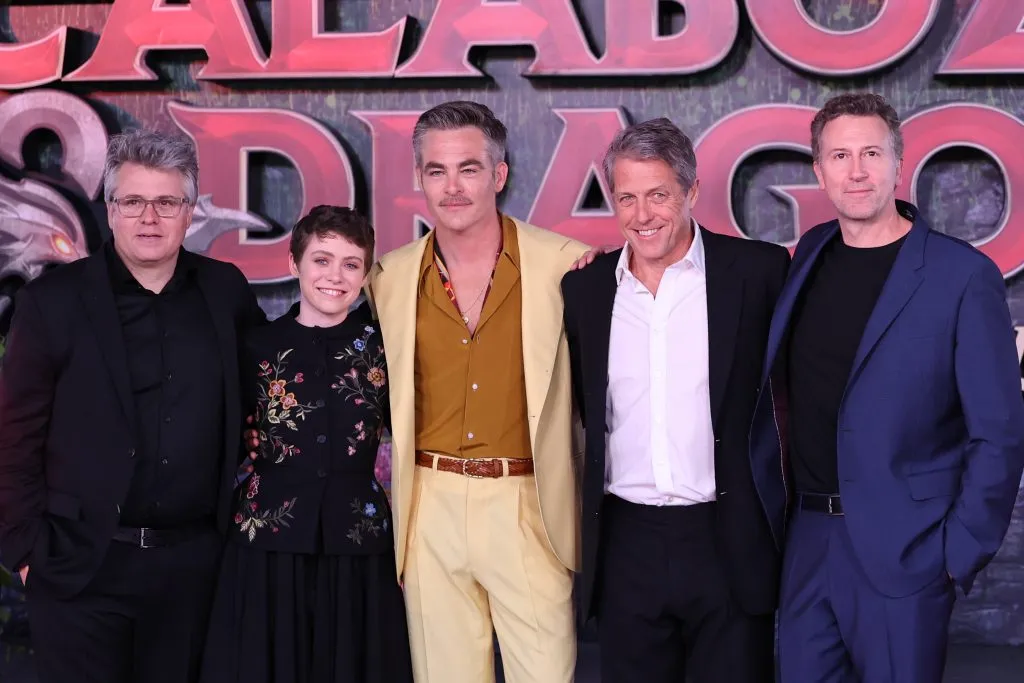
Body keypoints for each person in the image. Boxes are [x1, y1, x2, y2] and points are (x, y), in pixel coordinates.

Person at [749, 92, 1024, 682]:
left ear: (900, 163)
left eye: (872, 153)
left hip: (908, 550)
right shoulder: (808, 257)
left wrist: (955, 554)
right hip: (807, 543)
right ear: (819, 171)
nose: (857, 170)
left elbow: (998, 433)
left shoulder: (960, 276)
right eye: (840, 155)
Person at [0, 129, 266, 683]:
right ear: (111, 208)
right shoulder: (51, 302)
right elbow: (12, 436)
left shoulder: (225, 292)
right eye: (133, 201)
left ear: (190, 211)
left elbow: (267, 393)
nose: (150, 217)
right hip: (78, 569)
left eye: (166, 202)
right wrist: (26, 553)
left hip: (194, 570)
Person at [366, 100, 588, 683]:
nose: (452, 186)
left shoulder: (566, 266)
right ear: (418, 178)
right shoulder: (386, 279)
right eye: (436, 171)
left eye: (468, 168)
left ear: (500, 174)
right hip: (429, 505)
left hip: (528, 503)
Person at [561, 118, 789, 683]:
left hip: (727, 537)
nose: (642, 215)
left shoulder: (758, 272)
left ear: (690, 191)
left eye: (658, 195)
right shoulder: (585, 290)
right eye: (627, 198)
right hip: (625, 543)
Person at [201, 205, 412, 683]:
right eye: (321, 259)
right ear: (294, 263)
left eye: (350, 263)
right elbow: (228, 428)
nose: (334, 275)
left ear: (365, 274)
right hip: (266, 543)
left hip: (358, 541)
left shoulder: (386, 345)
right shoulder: (254, 345)